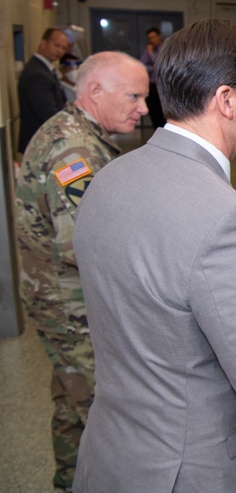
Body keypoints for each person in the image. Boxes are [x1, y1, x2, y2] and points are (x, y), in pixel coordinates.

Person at [71, 19, 236, 493]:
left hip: (109, 455)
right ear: (227, 100)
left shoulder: (108, 178)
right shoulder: (229, 220)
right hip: (190, 472)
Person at [14, 51, 148, 492]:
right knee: (104, 412)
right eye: (134, 96)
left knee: (71, 400)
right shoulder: (75, 149)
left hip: (64, 298)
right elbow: (83, 243)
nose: (144, 108)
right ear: (95, 91)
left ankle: (70, 479)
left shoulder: (78, 133)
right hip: (70, 305)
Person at [18, 28, 70, 154]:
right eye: (56, 45)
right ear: (43, 43)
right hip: (40, 144)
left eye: (63, 48)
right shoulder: (37, 74)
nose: (60, 51)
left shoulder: (46, 70)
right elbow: (47, 113)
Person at [139, 26, 166, 128]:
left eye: (154, 37)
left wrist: (151, 55)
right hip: (152, 86)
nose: (152, 40)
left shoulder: (164, 48)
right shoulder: (148, 50)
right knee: (154, 113)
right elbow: (141, 65)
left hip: (163, 87)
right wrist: (152, 67)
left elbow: (160, 65)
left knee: (163, 114)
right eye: (150, 38)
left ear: (159, 37)